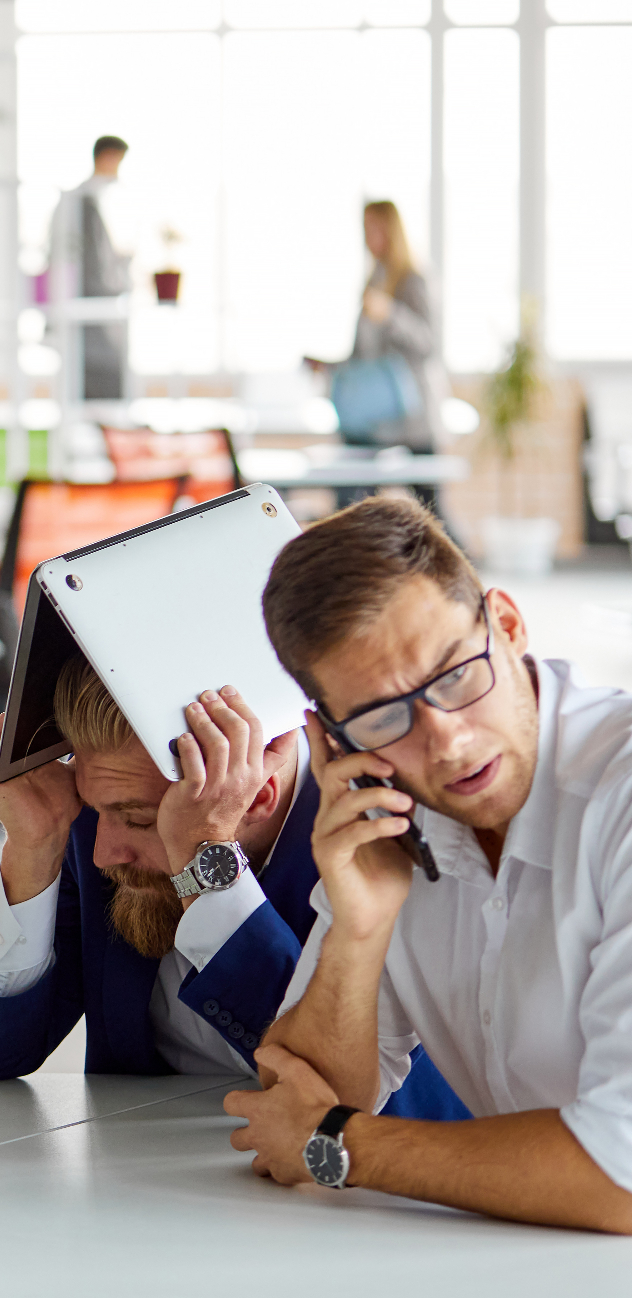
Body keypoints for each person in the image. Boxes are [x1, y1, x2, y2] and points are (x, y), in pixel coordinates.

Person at [228, 497, 632, 1232]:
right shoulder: (388, 822)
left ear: (507, 626)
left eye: (455, 676)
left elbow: (622, 1174)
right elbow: (293, 1088)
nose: (444, 741)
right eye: (384, 716)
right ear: (333, 739)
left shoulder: (620, 793)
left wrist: (341, 1145)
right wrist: (359, 926)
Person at [0, 658, 464, 1117]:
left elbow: (345, 1101)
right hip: (142, 1194)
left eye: (139, 821)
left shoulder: (387, 843)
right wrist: (33, 847)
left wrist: (205, 863)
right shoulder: (100, 822)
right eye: (100, 814)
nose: (103, 854)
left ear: (256, 797)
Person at [305, 200, 449, 512]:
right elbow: (364, 357)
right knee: (352, 501)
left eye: (375, 228)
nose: (369, 237)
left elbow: (429, 345)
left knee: (433, 511)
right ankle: (350, 559)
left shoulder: (414, 279)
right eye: (365, 229)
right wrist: (329, 366)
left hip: (413, 416)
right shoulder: (374, 279)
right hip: (374, 419)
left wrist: (390, 314)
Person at [52, 134, 132, 401]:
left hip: (93, 308)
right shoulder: (80, 203)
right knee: (95, 378)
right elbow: (87, 265)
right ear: (107, 157)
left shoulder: (88, 201)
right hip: (86, 309)